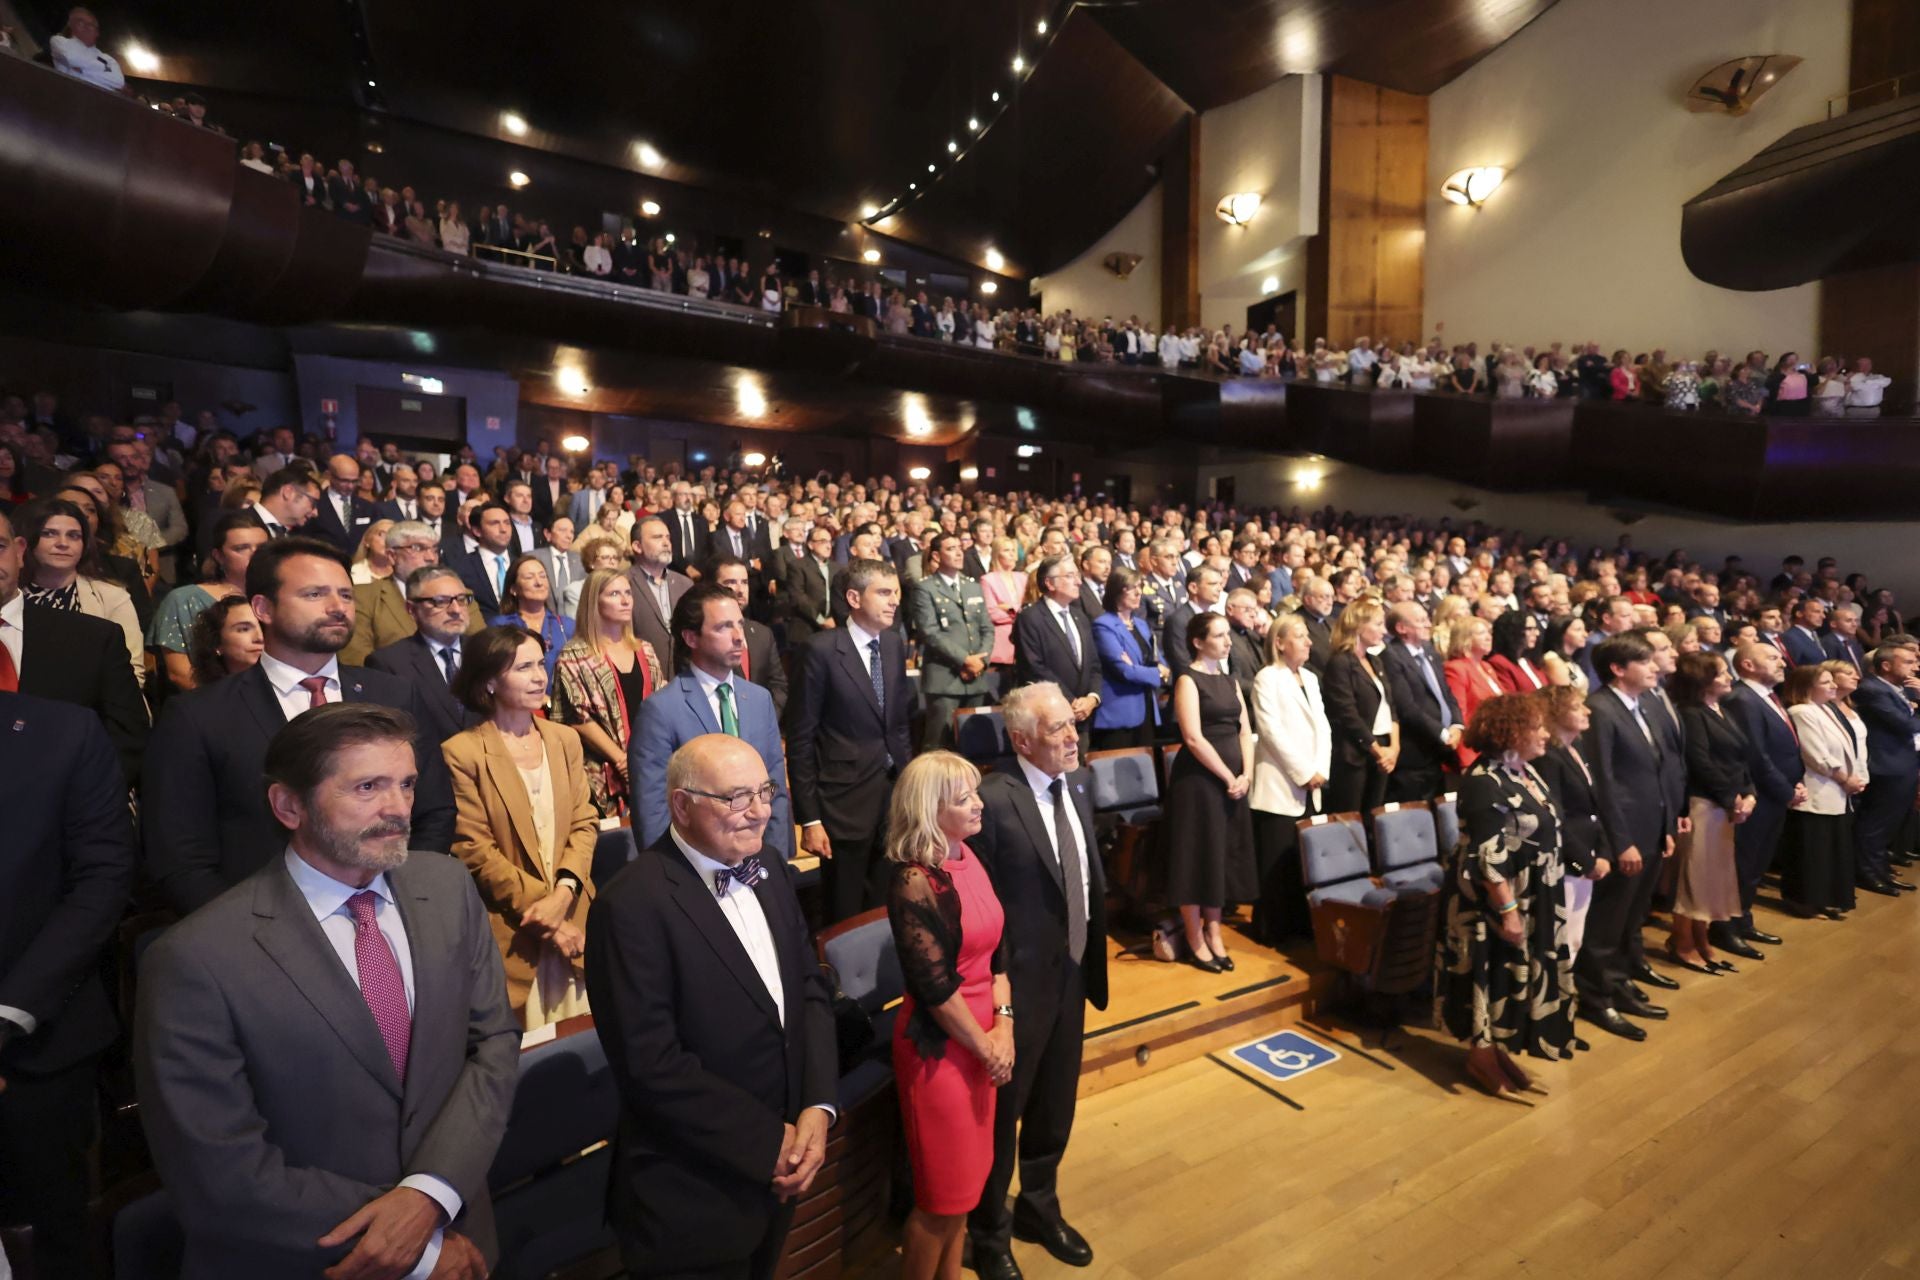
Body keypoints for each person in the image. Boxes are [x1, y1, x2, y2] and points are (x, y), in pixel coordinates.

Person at [134, 704, 516, 1277]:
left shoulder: (447, 884)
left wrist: (431, 1194)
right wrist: (419, 1247)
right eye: (368, 787)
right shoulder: (195, 958)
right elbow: (220, 1173)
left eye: (407, 785)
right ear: (289, 805)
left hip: (461, 1231)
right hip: (312, 1259)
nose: (397, 809)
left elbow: (493, 1048)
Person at [584, 734, 836, 1280]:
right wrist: (770, 1143)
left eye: (764, 791)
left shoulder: (768, 863)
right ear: (681, 804)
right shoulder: (628, 905)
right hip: (691, 1199)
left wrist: (819, 1104)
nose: (759, 811)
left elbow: (809, 990)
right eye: (735, 797)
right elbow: (650, 1064)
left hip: (781, 1176)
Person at [142, 537, 457, 916]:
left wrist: (397, 898)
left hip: (388, 914)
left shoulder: (394, 695)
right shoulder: (198, 716)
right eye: (314, 594)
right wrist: (251, 930)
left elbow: (436, 811)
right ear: (263, 607)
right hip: (259, 934)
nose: (337, 607)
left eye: (345, 594)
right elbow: (179, 856)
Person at [967, 682, 1106, 1280]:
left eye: (1071, 724)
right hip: (1015, 991)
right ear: (1022, 739)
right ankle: (989, 1233)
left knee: (1056, 1105)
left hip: (1071, 971)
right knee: (1004, 1116)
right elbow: (980, 905)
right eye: (1057, 729)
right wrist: (998, 997)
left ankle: (1038, 1206)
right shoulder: (993, 800)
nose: (1072, 735)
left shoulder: (1078, 781)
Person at [0, 691, 135, 1279]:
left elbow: (102, 877)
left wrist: (10, 1011)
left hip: (36, 1043)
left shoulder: (63, 732)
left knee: (53, 1242)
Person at [885, 752, 1010, 1280]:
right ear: (929, 809)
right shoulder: (915, 880)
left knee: (967, 1191)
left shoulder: (969, 854)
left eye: (975, 792)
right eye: (964, 798)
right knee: (940, 1200)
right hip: (942, 1051)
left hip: (986, 1039)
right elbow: (935, 988)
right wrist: (987, 1047)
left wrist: (1004, 1025)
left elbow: (997, 959)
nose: (979, 803)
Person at [443, 626, 596, 1029]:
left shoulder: (564, 739)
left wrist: (563, 899)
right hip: (514, 932)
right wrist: (548, 917)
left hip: (577, 917)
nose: (539, 676)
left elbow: (584, 823)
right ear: (490, 680)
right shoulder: (462, 752)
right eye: (523, 667)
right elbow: (474, 850)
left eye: (539, 664)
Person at [1437, 693, 1571, 1095]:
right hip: (1492, 901)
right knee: (1488, 972)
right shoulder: (1483, 781)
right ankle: (1480, 1056)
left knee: (1511, 974)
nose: (1545, 734)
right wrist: (1509, 911)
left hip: (1535, 892)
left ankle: (1496, 1047)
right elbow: (1488, 858)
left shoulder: (1524, 771)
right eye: (1537, 727)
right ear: (1512, 733)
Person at [787, 557, 913, 921]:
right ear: (854, 598)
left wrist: (907, 785)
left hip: (891, 800)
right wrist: (809, 819)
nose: (894, 601)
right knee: (844, 912)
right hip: (842, 803)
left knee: (886, 905)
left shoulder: (892, 645)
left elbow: (899, 725)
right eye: (885, 593)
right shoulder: (821, 650)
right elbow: (801, 738)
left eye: (897, 594)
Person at [633, 583, 792, 858]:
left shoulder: (759, 699)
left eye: (740, 625)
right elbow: (652, 809)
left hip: (759, 860)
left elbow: (773, 788)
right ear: (691, 638)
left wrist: (774, 859)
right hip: (697, 868)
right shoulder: (660, 709)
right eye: (723, 627)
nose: (739, 638)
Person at [1578, 633, 1678, 1041]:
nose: (1655, 667)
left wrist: (1666, 825)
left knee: (1629, 919)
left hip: (1650, 829)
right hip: (1625, 836)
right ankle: (1596, 998)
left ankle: (1619, 985)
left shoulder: (1642, 705)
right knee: (1606, 924)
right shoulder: (1601, 709)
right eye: (1645, 661)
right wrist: (1620, 841)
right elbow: (1602, 782)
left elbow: (1657, 771)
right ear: (1618, 669)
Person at [1166, 613, 1257, 972]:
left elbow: (1244, 728)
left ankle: (1215, 934)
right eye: (1218, 635)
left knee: (1219, 857)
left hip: (1233, 782)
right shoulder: (1188, 679)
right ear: (1198, 641)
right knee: (1196, 858)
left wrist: (1246, 774)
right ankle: (1194, 937)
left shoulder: (1230, 679)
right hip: (1200, 784)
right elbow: (1192, 737)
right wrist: (1226, 775)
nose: (1227, 641)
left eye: (1227, 635)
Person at [551, 568, 664, 820]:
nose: (625, 600)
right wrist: (622, 760)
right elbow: (577, 719)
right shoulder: (574, 655)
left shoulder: (644, 649)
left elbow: (660, 704)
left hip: (651, 762)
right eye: (614, 594)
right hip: (602, 771)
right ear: (594, 601)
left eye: (628, 593)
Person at [1666, 651, 1753, 974]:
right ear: (1702, 680)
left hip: (1726, 805)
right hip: (1703, 803)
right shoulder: (1691, 713)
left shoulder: (1721, 710)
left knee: (1712, 878)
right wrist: (1733, 798)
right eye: (1721, 673)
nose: (1729, 677)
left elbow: (1740, 759)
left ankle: (1702, 940)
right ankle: (1682, 942)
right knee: (1694, 877)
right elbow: (1700, 762)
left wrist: (1749, 794)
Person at [1718, 642, 1805, 956]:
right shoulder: (1742, 699)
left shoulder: (1767, 696)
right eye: (1772, 657)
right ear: (1747, 666)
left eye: (1780, 656)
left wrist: (1794, 784)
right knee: (1742, 864)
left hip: (1775, 793)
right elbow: (1755, 755)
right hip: (1757, 795)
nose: (1782, 661)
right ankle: (1726, 928)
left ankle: (1743, 920)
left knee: (1756, 863)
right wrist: (1786, 790)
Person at [1248, 614, 1330, 944]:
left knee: (1302, 860)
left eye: (1308, 636)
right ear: (1279, 643)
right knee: (1276, 862)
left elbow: (1323, 726)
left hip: (1313, 780)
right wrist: (1303, 772)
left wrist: (1320, 769)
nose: (1309, 642)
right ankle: (1272, 929)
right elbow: (1271, 732)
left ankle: (1300, 924)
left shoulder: (1309, 678)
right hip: (1281, 782)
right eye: (1299, 636)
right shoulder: (1267, 678)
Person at [17, 497, 144, 686]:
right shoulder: (9, 594)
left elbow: (132, 671)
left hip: (90, 707)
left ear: (85, 544)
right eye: (49, 533)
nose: (63, 543)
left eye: (74, 535)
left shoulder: (113, 597)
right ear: (27, 541)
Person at [1533, 685, 1610, 973]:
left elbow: (1592, 809)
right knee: (1561, 940)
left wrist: (1601, 851)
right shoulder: (1548, 757)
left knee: (1574, 939)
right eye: (1578, 707)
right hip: (1567, 860)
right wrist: (1585, 860)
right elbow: (1557, 817)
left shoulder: (1575, 747)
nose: (1588, 711)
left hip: (1586, 855)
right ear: (1555, 714)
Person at [148, 509, 268, 691]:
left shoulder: (279, 597)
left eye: (261, 547)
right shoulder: (184, 599)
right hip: (214, 702)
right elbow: (179, 673)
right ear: (218, 556)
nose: (254, 555)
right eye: (241, 548)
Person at [1780, 663, 1864, 919]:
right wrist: (1844, 778)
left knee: (1829, 850)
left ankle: (1825, 898)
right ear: (1807, 686)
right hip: (1818, 788)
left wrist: (1853, 778)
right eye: (1826, 682)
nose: (1834, 686)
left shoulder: (1824, 709)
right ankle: (1803, 900)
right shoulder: (1802, 711)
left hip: (1836, 790)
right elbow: (1816, 755)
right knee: (1812, 850)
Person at [364, 565, 477, 746]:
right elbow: (394, 737)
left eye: (462, 599)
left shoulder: (485, 650)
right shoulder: (388, 663)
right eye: (440, 601)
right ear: (411, 609)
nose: (455, 609)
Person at [1013, 554, 1102, 760]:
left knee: (1078, 776)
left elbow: (1094, 665)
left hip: (1083, 717)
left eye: (1077, 576)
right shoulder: (1030, 618)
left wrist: (1092, 698)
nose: (1078, 581)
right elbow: (1034, 667)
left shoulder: (1080, 617)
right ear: (1049, 583)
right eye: (1070, 576)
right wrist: (1070, 702)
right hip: (1050, 718)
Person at [913, 531, 995, 750]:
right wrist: (965, 660)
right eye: (951, 549)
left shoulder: (973, 586)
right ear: (937, 556)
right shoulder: (925, 587)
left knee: (973, 746)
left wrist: (980, 662)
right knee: (938, 745)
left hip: (975, 677)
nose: (959, 553)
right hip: (945, 678)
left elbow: (987, 628)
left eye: (960, 547)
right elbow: (929, 632)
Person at [1851, 644, 1920, 896]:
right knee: (1875, 825)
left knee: (1889, 824)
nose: (1916, 666)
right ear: (1886, 665)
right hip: (1886, 767)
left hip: (1902, 763)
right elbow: (1906, 725)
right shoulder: (1872, 689)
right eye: (1909, 662)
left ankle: (1881, 870)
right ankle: (1867, 874)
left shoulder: (1897, 689)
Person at [1320, 597, 1399, 814]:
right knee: (1351, 817)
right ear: (1358, 625)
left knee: (1375, 815)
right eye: (1377, 624)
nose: (1384, 630)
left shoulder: (1375, 661)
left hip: (1382, 749)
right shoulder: (1340, 662)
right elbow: (1348, 714)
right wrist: (1378, 751)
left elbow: (1390, 706)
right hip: (1355, 753)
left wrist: (1394, 748)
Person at [1381, 601, 1462, 801]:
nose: (1428, 624)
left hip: (1438, 751)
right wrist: (1442, 733)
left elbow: (1446, 693)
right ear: (1401, 628)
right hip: (1415, 755)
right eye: (1420, 620)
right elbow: (1406, 707)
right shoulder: (1391, 656)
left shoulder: (1429, 651)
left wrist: (1457, 725)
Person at [1090, 566, 1168, 749]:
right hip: (1120, 712)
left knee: (1146, 771)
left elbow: (1160, 661)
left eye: (1139, 587)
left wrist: (1143, 669)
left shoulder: (1140, 624)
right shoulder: (1104, 625)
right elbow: (1124, 671)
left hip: (1146, 707)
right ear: (1116, 591)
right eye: (1131, 588)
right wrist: (1155, 672)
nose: (1138, 592)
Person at [488, 552, 572, 683]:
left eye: (543, 576)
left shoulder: (567, 626)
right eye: (529, 577)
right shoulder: (500, 626)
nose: (539, 582)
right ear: (513, 589)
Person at [624, 515, 691, 669]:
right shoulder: (623, 583)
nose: (666, 542)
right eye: (657, 537)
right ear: (637, 546)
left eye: (668, 537)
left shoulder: (685, 584)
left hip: (683, 677)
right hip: (644, 675)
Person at [1445, 615, 1507, 768]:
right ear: (1464, 638)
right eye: (1481, 633)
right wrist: (1466, 760)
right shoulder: (1456, 668)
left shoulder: (1487, 667)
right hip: (1474, 751)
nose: (1488, 637)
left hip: (1498, 746)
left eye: (1489, 632)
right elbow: (1460, 716)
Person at [185, 594, 264, 685]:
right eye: (244, 629)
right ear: (217, 642)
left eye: (263, 627)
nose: (260, 638)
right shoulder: (203, 698)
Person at [978, 536, 1027, 674]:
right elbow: (991, 612)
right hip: (1002, 644)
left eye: (1013, 550)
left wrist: (1010, 609)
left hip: (1023, 639)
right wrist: (1019, 611)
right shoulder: (987, 580)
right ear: (997, 554)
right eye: (1006, 550)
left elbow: (1029, 607)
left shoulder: (1022, 577)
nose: (1011, 554)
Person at [49, 6, 125, 90]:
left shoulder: (108, 60)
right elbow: (71, 58)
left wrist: (81, 70)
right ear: (71, 25)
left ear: (97, 32)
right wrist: (100, 70)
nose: (85, 27)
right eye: (80, 23)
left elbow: (118, 82)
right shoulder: (59, 41)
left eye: (91, 24)